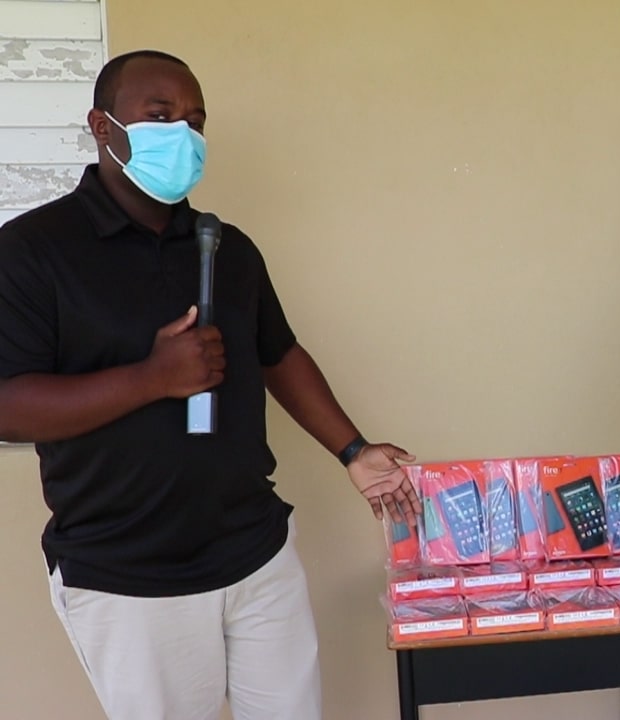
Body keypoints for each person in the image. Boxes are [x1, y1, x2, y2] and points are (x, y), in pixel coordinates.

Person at [0, 50, 421, 720]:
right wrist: (151, 378)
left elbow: (278, 354)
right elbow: (9, 407)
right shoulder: (31, 251)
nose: (183, 135)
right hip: (127, 575)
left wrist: (354, 452)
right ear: (102, 126)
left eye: (195, 121)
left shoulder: (226, 247)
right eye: (160, 115)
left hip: (255, 553)